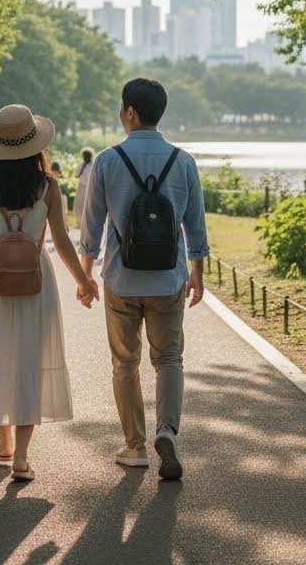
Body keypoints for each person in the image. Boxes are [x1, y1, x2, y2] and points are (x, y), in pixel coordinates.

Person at [0, 104, 99, 483]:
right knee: (29, 360)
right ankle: (23, 458)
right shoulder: (47, 186)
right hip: (36, 283)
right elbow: (62, 240)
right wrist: (83, 280)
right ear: (35, 145)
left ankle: (4, 445)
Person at [79, 78, 209, 481]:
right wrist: (196, 274)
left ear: (131, 112)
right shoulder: (183, 161)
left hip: (121, 279)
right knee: (168, 359)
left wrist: (86, 276)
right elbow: (196, 225)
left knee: (125, 362)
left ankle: (135, 447)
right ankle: (166, 430)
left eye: (122, 109)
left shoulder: (107, 160)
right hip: (168, 281)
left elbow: (92, 226)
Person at [73, 147, 94, 224]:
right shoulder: (81, 165)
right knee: (79, 204)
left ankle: (85, 222)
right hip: (81, 187)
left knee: (86, 205)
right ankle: (79, 222)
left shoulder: (92, 165)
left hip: (88, 188)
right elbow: (76, 175)